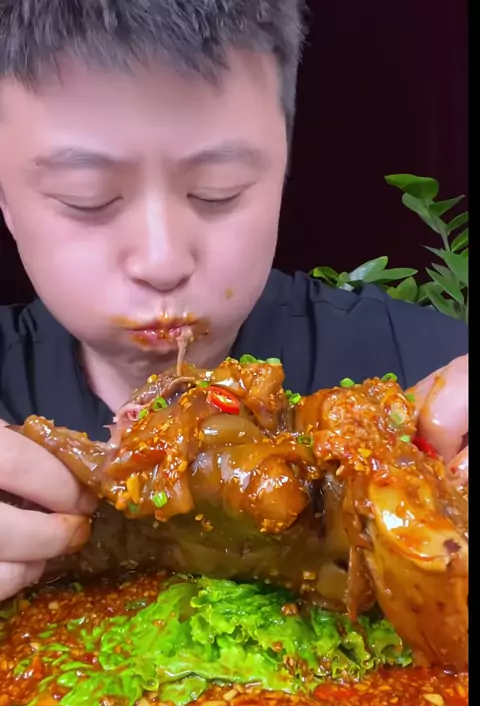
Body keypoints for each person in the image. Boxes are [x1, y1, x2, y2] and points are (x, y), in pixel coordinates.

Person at [0, 0, 468, 602]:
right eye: (85, 197)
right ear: (6, 198)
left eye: (216, 192)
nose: (163, 261)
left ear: (283, 171)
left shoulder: (424, 365)